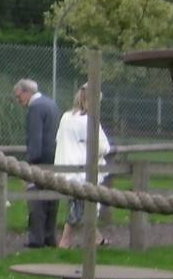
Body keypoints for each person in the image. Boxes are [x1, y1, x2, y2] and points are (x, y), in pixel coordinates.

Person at [55, 84, 111, 249]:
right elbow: (103, 147)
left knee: (84, 205)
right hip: (82, 171)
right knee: (80, 207)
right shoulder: (89, 121)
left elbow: (59, 140)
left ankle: (96, 238)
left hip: (65, 168)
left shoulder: (66, 117)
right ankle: (64, 242)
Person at [13, 78, 60, 248]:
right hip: (54, 158)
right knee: (52, 199)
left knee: (36, 200)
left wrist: (29, 163)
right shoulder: (51, 104)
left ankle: (36, 239)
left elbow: (35, 138)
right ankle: (49, 236)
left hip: (40, 160)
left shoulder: (35, 107)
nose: (19, 101)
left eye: (19, 97)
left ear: (27, 92)